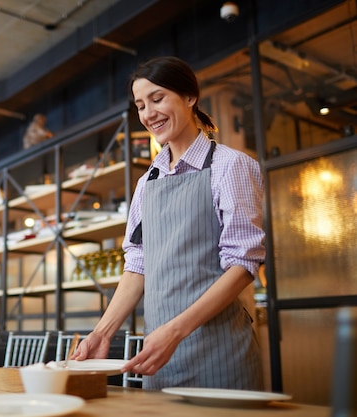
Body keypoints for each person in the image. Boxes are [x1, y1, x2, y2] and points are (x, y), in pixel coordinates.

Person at [71, 56, 265, 390]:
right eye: (140, 105)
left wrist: (175, 331)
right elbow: (138, 265)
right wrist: (101, 334)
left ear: (190, 97)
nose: (148, 114)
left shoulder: (231, 166)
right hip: (158, 355)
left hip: (219, 351)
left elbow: (243, 264)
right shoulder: (147, 182)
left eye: (158, 98)